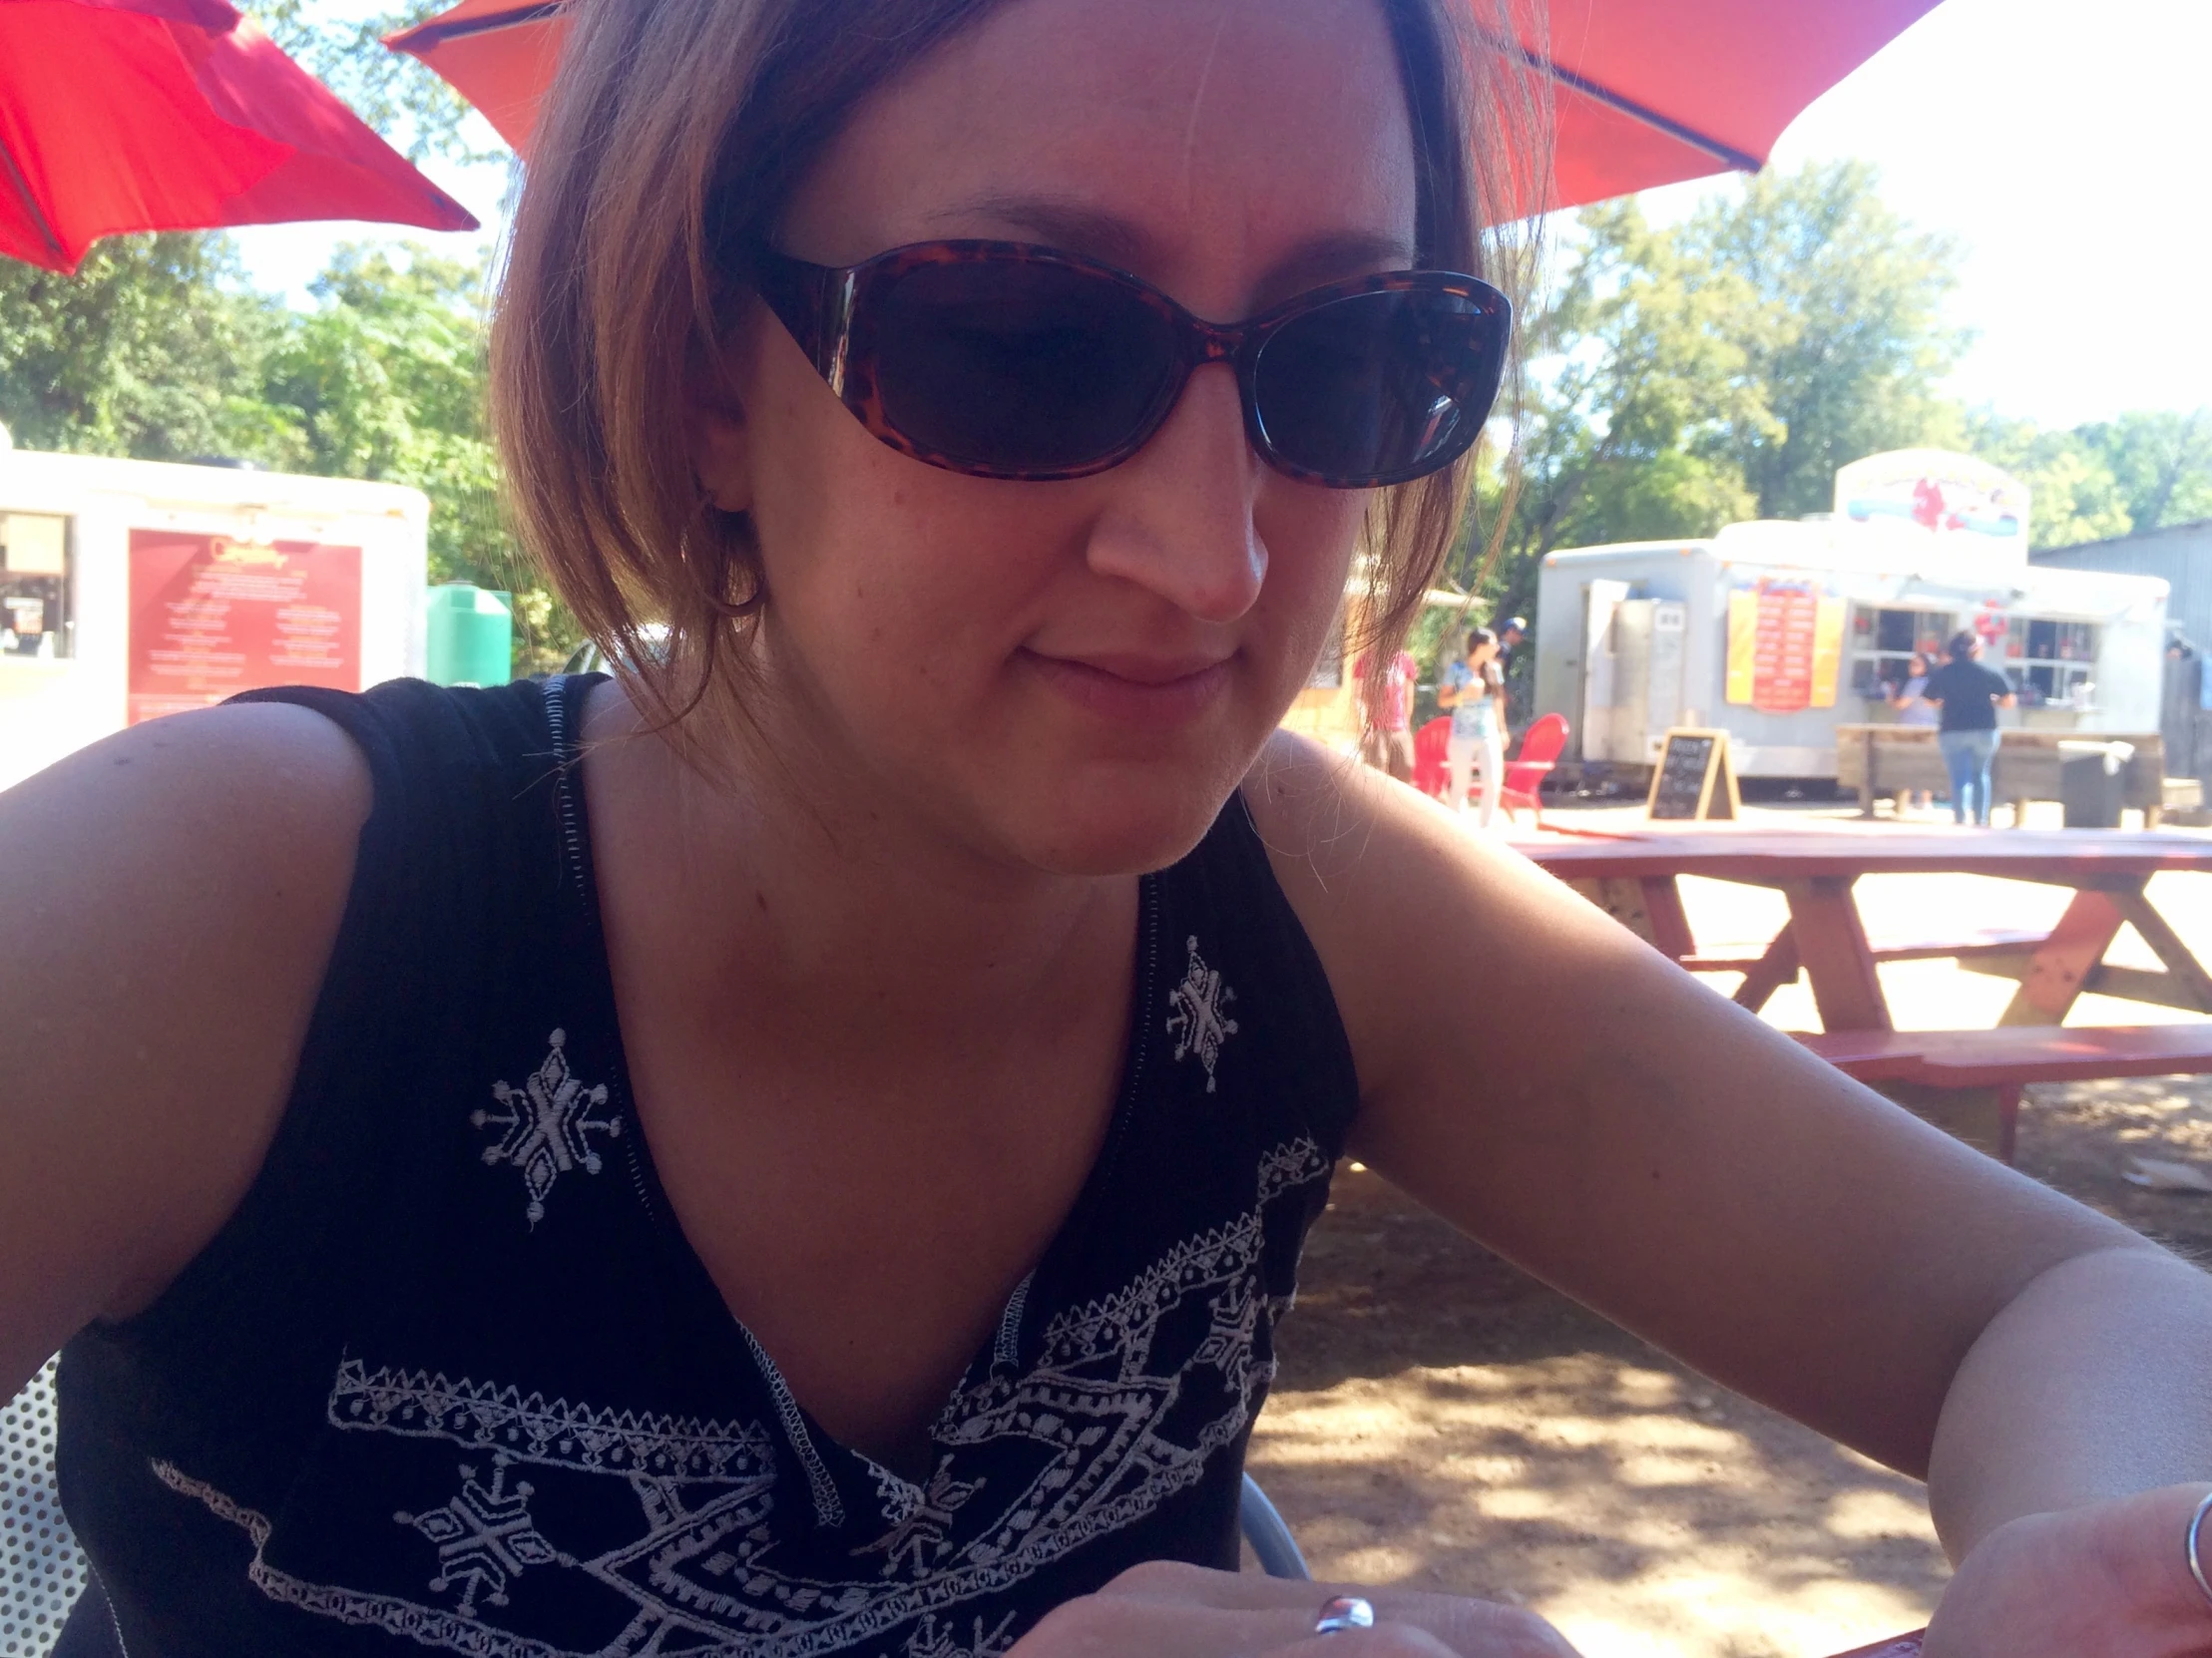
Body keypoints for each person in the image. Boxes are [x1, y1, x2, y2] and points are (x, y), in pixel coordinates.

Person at [4, 1, 2210, 1656]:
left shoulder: (1319, 904)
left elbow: (2066, 1302)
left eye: (1354, 359)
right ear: (697, 367)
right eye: (1020, 341)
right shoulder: (220, 918)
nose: (1212, 556)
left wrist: (2086, 1570)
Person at [1923, 630, 2017, 827]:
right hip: (1984, 729)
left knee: (1959, 776)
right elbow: (2009, 701)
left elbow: (1927, 699)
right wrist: (1996, 700)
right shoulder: (1989, 671)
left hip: (1952, 730)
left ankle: (1960, 819)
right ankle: (1980, 820)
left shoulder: (1943, 672)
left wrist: (1942, 703)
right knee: (1980, 775)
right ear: (1976, 649)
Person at [1438, 626, 1507, 827]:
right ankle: (1457, 829)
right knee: (1460, 785)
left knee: (1493, 782)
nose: (1496, 647)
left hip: (1488, 733)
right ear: (1480, 646)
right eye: (1492, 643)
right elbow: (1443, 701)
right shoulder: (1457, 670)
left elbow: (1498, 701)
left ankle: (1486, 830)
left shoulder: (1494, 669)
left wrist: (1502, 730)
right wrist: (1463, 695)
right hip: (1462, 735)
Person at [1351, 643, 1419, 783]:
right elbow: (1358, 695)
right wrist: (1364, 724)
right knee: (1376, 775)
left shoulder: (1405, 659)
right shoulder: (1366, 659)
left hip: (1399, 729)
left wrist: (1406, 725)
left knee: (1406, 768)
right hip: (1376, 728)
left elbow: (1408, 696)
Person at [1889, 650, 1940, 814]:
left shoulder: (1916, 683)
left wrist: (1889, 696)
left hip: (1911, 727)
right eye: (1911, 664)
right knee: (1926, 764)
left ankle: (1906, 799)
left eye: (1916, 664)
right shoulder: (1932, 682)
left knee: (1907, 764)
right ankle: (1926, 800)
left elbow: (1901, 704)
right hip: (1929, 726)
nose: (1912, 667)